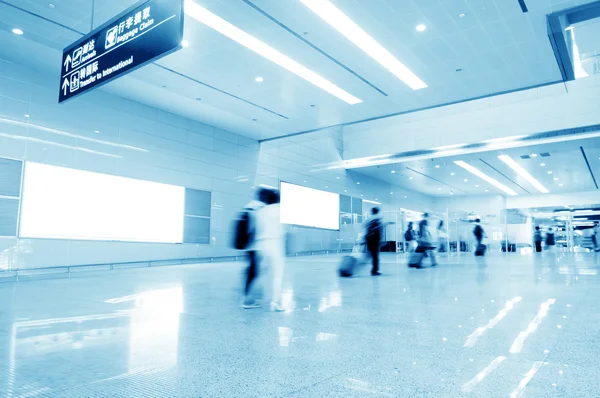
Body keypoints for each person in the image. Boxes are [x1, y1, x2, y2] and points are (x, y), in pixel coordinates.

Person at [254, 188, 286, 312]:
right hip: (275, 242)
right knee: (278, 274)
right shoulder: (279, 210)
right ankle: (275, 302)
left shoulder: (261, 211)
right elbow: (282, 230)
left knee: (260, 272)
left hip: (260, 243)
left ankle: (253, 296)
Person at [239, 192, 267, 309]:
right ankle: (247, 300)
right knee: (253, 272)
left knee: (252, 270)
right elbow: (256, 229)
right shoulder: (259, 209)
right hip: (254, 246)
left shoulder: (249, 206)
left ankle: (248, 295)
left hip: (248, 246)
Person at [365, 207, 383, 276]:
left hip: (368, 239)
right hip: (375, 239)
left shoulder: (368, 219)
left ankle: (357, 267)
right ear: (377, 212)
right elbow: (380, 230)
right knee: (375, 256)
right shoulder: (378, 219)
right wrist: (380, 239)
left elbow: (365, 229)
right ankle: (374, 271)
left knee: (370, 254)